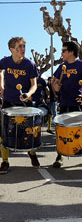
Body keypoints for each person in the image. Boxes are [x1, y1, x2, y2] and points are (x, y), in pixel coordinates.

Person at [52, 41, 82, 168]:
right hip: (65, 103)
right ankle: (59, 156)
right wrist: (56, 87)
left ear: (71, 52)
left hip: (80, 103)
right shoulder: (61, 67)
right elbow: (54, 84)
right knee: (61, 132)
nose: (62, 53)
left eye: (64, 50)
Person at [0, 37, 39, 174]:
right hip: (8, 102)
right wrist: (1, 85)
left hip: (25, 104)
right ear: (12, 49)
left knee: (28, 133)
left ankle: (32, 154)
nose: (23, 49)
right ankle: (5, 161)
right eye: (20, 46)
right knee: (4, 134)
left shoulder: (29, 64)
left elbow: (34, 85)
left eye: (24, 46)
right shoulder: (5, 61)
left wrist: (28, 94)